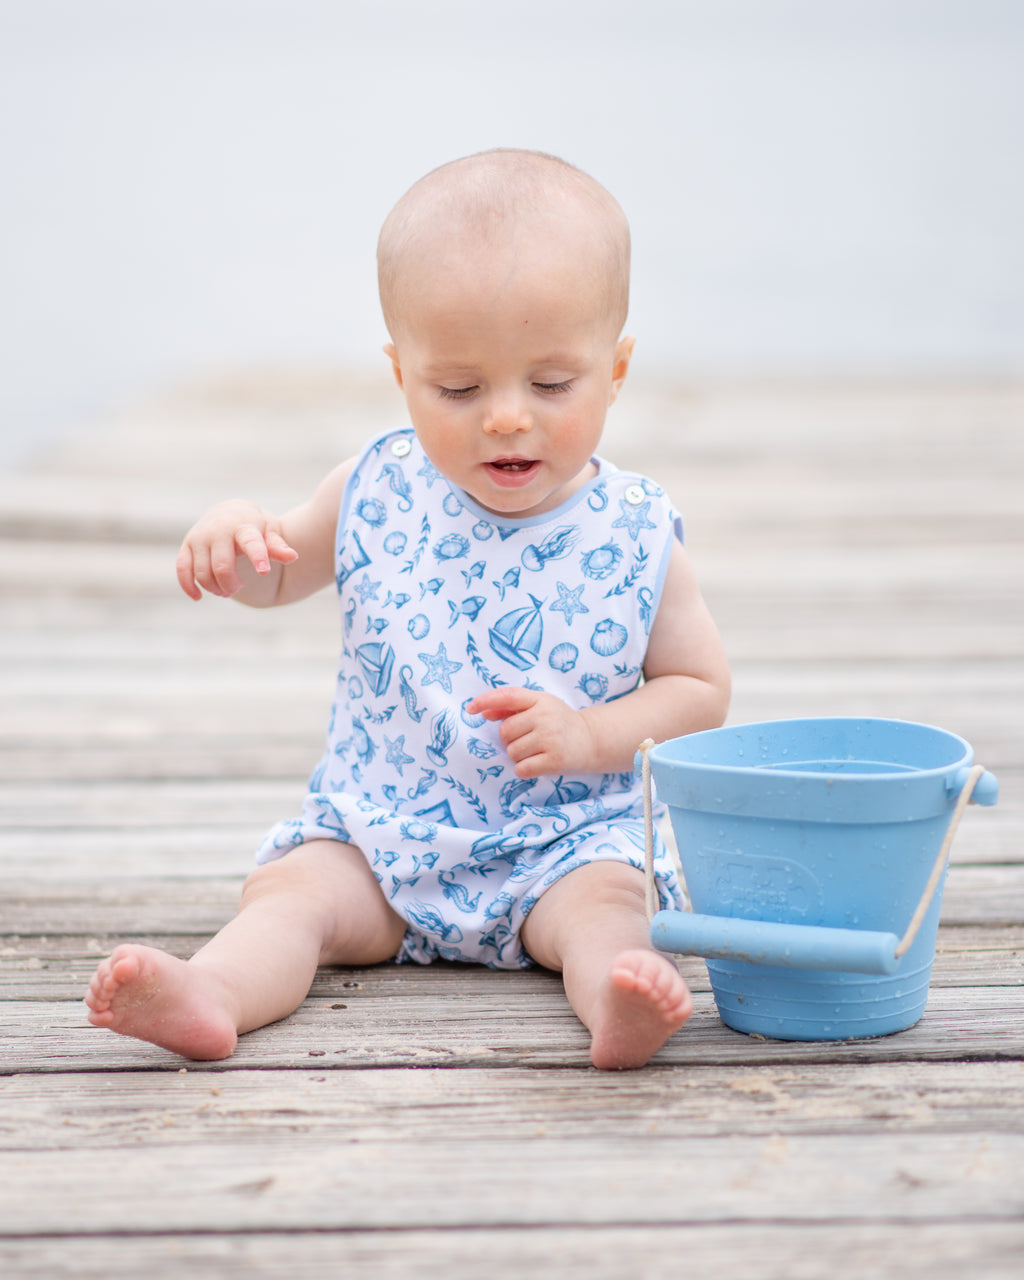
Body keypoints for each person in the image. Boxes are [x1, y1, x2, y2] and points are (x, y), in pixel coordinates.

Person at [85, 149, 730, 1070]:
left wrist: (589, 735)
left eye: (552, 384)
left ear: (616, 368)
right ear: (403, 373)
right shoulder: (375, 488)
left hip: (562, 840)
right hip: (381, 835)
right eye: (459, 389)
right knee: (292, 895)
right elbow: (283, 571)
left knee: (607, 909)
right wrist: (238, 544)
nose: (507, 417)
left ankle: (621, 1002)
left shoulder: (635, 531)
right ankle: (211, 994)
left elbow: (701, 688)